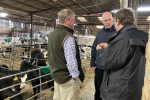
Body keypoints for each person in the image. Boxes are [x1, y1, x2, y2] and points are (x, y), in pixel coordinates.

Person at [97, 8, 148, 100]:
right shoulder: (144, 35)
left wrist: (100, 51)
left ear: (118, 21)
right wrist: (110, 47)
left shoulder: (123, 38)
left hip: (120, 90)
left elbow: (106, 61)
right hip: (136, 87)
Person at [48, 9, 85, 100]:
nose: (74, 22)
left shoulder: (52, 34)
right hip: (67, 78)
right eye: (73, 20)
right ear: (66, 20)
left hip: (56, 76)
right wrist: (75, 76)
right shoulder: (68, 37)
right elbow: (71, 60)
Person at [90, 11, 116, 100]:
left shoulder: (117, 33)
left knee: (110, 92)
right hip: (99, 68)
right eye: (105, 20)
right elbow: (93, 48)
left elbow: (120, 49)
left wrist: (109, 47)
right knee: (98, 91)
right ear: (102, 22)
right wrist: (92, 64)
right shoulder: (99, 33)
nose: (108, 22)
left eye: (109, 19)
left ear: (113, 19)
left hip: (112, 69)